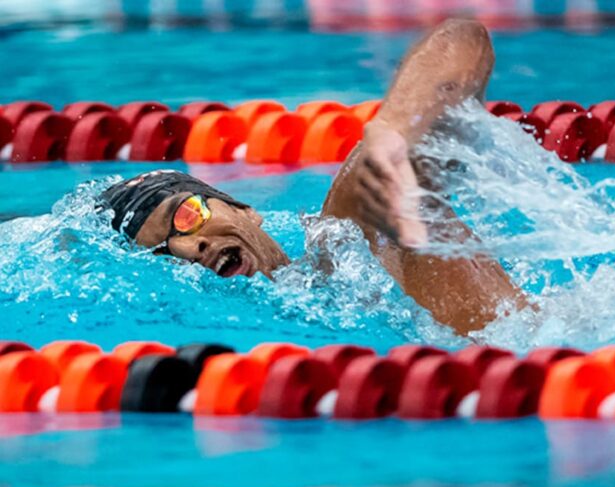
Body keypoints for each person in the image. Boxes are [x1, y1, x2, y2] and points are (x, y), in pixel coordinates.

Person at [100, 19, 532, 335]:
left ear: (246, 210)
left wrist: (395, 131)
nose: (186, 247)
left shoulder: (348, 230)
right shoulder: (291, 321)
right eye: (162, 253)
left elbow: (462, 39)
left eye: (185, 215)